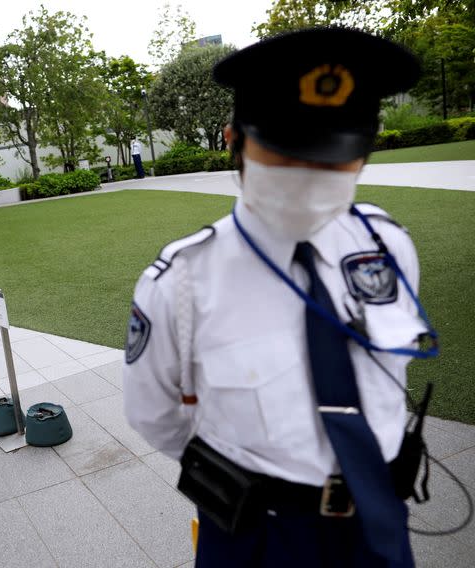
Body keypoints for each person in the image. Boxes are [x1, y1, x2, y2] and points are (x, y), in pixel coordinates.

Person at [123, 27, 436, 567]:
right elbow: (153, 414)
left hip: (381, 520)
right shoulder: (181, 282)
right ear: (234, 141)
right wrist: (246, 470)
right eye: (286, 150)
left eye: (335, 155)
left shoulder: (388, 246)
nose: (311, 177)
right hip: (260, 535)